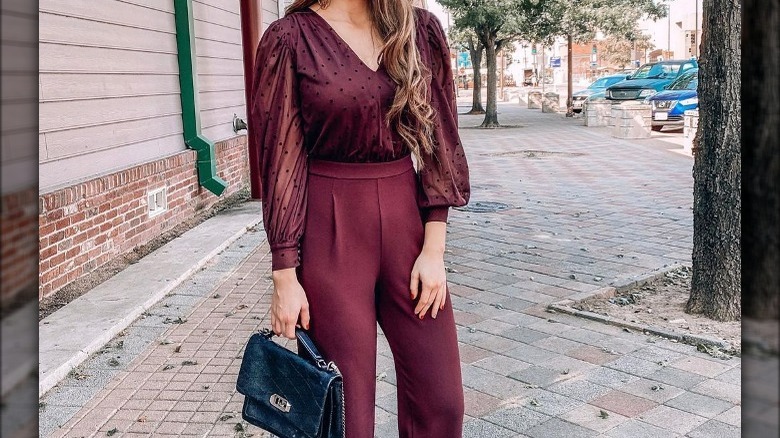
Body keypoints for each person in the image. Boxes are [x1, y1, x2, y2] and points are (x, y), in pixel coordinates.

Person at [250, 0, 471, 436]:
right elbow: (281, 158)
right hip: (330, 229)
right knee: (347, 414)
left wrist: (434, 249)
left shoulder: (417, 29)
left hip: (408, 224)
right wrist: (284, 274)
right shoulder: (290, 38)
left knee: (442, 400)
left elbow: (439, 138)